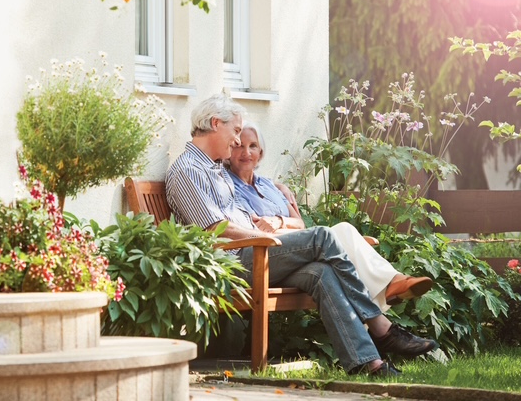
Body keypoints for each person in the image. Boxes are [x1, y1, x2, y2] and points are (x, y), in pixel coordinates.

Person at [165, 94, 439, 376]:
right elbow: (214, 228)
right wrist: (265, 238)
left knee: (322, 273)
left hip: (252, 253)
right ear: (214, 123)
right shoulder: (188, 170)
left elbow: (247, 191)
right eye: (235, 131)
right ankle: (380, 326)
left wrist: (276, 193)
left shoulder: (215, 169)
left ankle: (369, 364)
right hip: (231, 263)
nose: (237, 141)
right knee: (322, 236)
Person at [226, 121, 433, 312]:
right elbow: (256, 230)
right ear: (229, 151)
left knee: (343, 230)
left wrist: (279, 221)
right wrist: (291, 229)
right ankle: (391, 288)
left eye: (252, 146)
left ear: (261, 153)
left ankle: (392, 286)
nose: (246, 152)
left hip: (303, 248)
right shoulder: (229, 188)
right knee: (340, 233)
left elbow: (299, 222)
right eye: (239, 146)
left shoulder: (270, 186)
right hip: (271, 257)